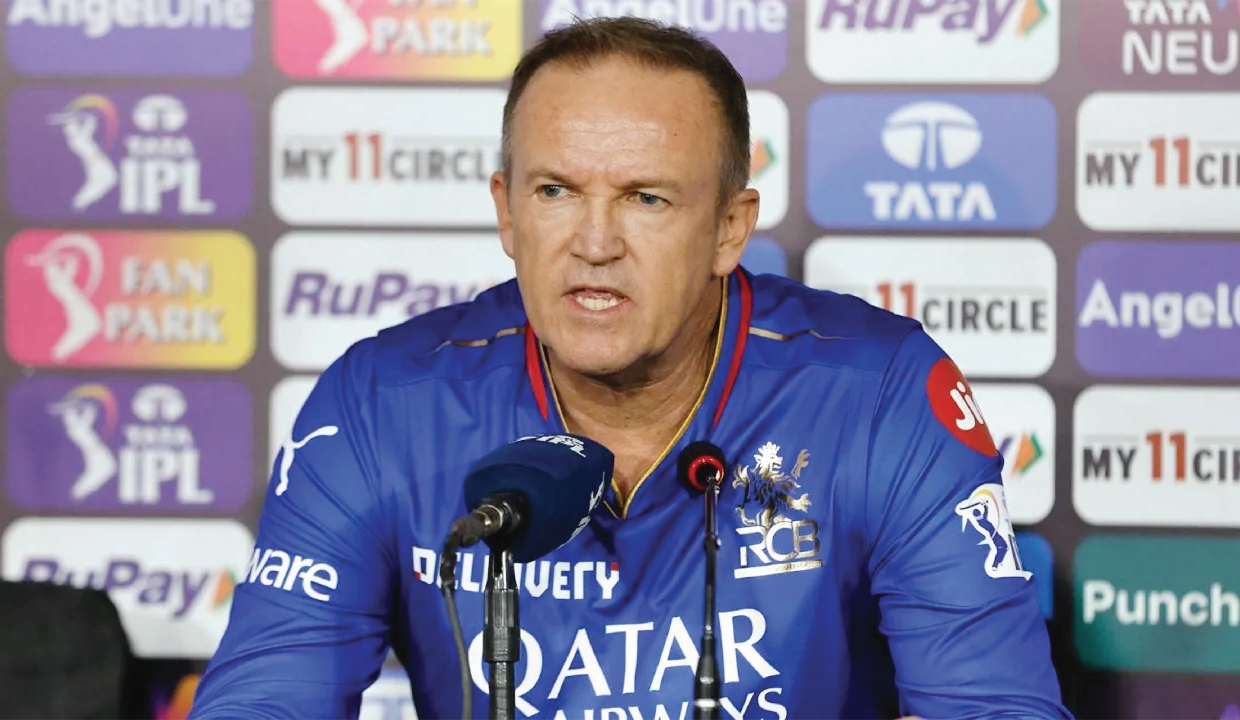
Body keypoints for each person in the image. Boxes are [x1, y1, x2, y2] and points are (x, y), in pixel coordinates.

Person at [190, 16, 1071, 720]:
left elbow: (994, 707)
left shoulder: (879, 393)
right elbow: (264, 700)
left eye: (646, 198)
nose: (595, 243)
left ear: (729, 228)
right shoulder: (383, 403)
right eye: (555, 192)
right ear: (507, 213)